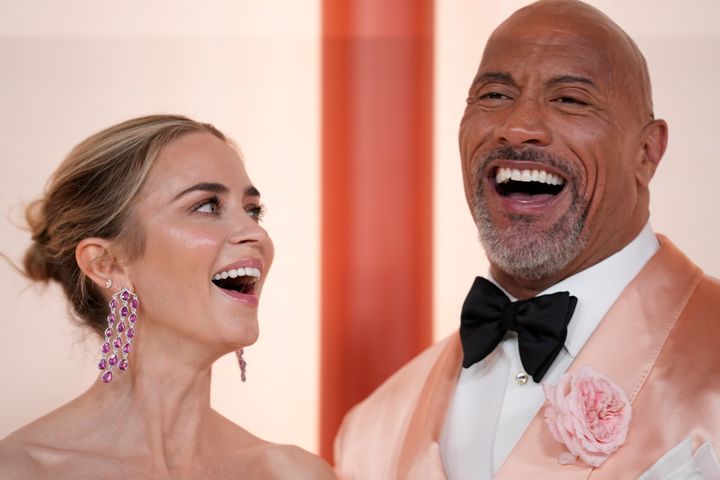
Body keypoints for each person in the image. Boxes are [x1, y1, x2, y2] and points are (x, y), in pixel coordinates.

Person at [334, 1, 720, 479]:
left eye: (570, 100)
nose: (518, 127)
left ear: (647, 152)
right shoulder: (372, 429)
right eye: (494, 95)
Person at [0, 115, 336, 479]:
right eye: (207, 205)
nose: (254, 232)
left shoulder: (293, 473)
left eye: (253, 210)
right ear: (107, 263)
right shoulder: (19, 470)